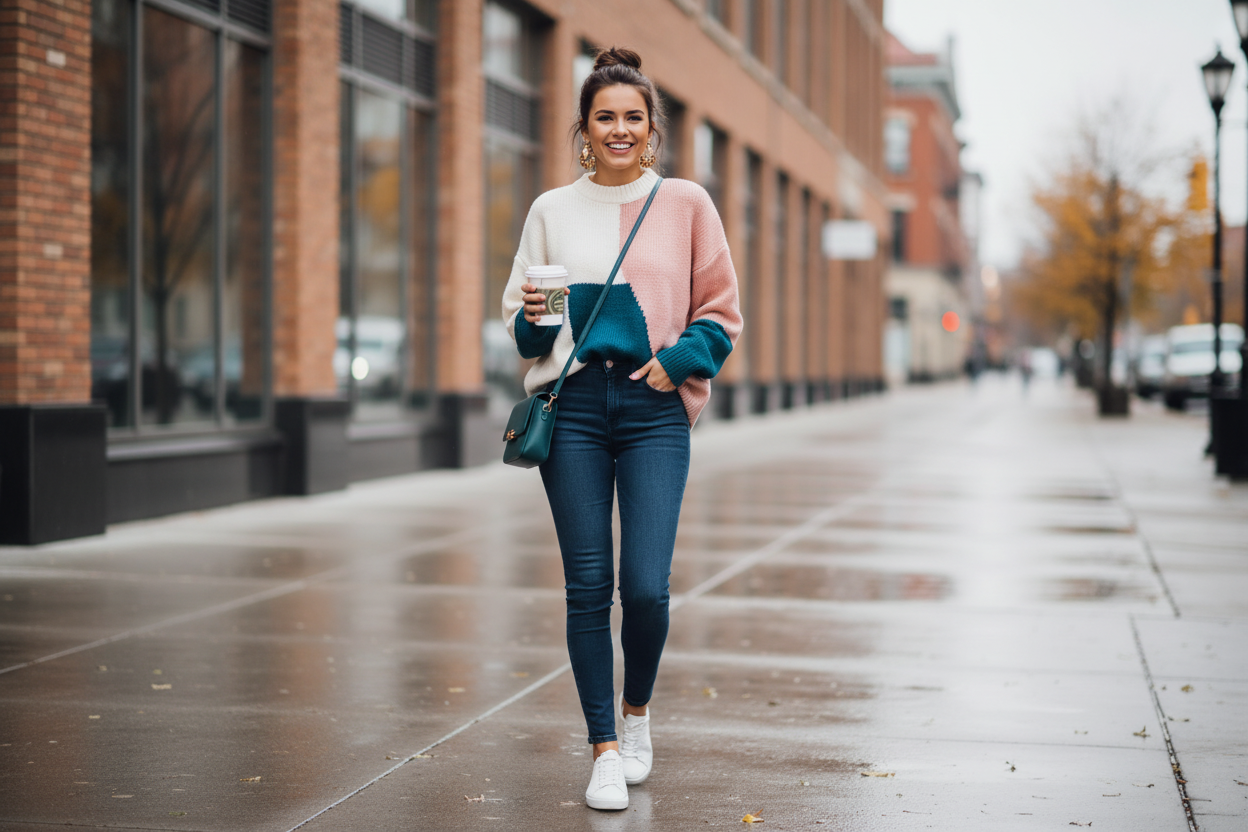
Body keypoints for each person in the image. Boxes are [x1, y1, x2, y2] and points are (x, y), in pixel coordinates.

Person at [501, 47, 742, 811]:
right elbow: (526, 334)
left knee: (644, 587)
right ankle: (603, 749)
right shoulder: (551, 210)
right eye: (604, 117)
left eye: (632, 118)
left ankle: (637, 714)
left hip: (651, 410)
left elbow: (721, 313)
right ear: (584, 128)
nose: (619, 129)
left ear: (651, 129)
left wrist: (678, 363)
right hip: (572, 408)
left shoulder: (686, 204)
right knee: (587, 587)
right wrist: (535, 321)